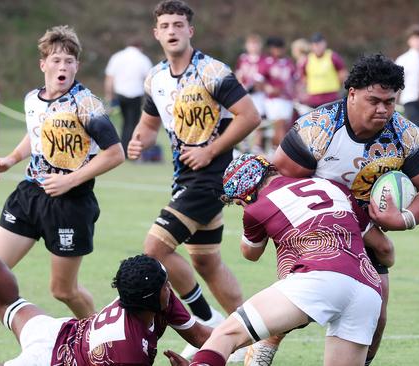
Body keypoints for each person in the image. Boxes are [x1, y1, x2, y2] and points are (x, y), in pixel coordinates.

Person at [0, 26, 125, 366]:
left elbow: (115, 153)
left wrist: (70, 181)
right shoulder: (32, 99)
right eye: (56, 59)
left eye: (69, 60)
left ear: (76, 67)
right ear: (44, 65)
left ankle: (104, 345)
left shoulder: (87, 105)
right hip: (29, 196)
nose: (62, 65)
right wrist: (10, 159)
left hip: (70, 205)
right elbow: (36, 135)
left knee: (63, 290)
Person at [269, 53, 419, 366]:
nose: (383, 109)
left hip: (366, 235)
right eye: (374, 100)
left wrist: (405, 218)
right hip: (315, 229)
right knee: (301, 310)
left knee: (376, 318)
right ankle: (263, 349)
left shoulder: (404, 135)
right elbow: (277, 181)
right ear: (352, 94)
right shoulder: (318, 129)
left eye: (390, 101)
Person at [126, 0, 261, 359]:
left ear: (190, 30)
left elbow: (249, 116)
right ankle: (257, 334)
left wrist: (211, 150)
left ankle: (207, 318)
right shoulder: (154, 77)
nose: (172, 31)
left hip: (211, 177)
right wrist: (139, 140)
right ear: (156, 33)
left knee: (154, 250)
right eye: (165, 25)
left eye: (178, 24)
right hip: (184, 177)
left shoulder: (212, 71)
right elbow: (150, 122)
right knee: (206, 262)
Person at [0, 196, 211, 365]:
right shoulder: (128, 351)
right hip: (47, 361)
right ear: (152, 298)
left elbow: (200, 336)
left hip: (59, 332)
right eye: (166, 285)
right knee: (7, 303)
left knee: (8, 302)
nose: (170, 286)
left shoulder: (146, 293)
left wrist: (249, 337)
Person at [181, 153, 388, 366]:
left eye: (238, 203)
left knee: (225, 334)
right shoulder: (332, 186)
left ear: (245, 196)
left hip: (320, 277)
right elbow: (385, 249)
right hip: (369, 290)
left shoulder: (255, 208)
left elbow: (250, 253)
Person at [104, 38, 153, 158]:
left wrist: (109, 96)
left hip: (120, 94)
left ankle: (122, 149)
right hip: (136, 95)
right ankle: (128, 151)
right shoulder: (143, 59)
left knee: (124, 123)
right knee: (132, 124)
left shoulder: (117, 57)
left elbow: (110, 78)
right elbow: (150, 80)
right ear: (140, 47)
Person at [259, 36, 296, 152]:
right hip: (273, 100)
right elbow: (258, 81)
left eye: (279, 48)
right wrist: (267, 87)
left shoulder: (289, 63)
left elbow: (295, 80)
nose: (277, 51)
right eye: (274, 48)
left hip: (287, 99)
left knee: (284, 126)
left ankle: (276, 149)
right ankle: (282, 151)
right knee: (278, 124)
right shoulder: (267, 63)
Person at [302, 33, 347, 107]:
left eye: (319, 44)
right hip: (314, 98)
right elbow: (303, 77)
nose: (317, 47)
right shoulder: (307, 60)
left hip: (331, 96)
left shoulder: (333, 56)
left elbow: (342, 73)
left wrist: (341, 90)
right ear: (311, 46)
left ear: (325, 44)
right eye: (315, 45)